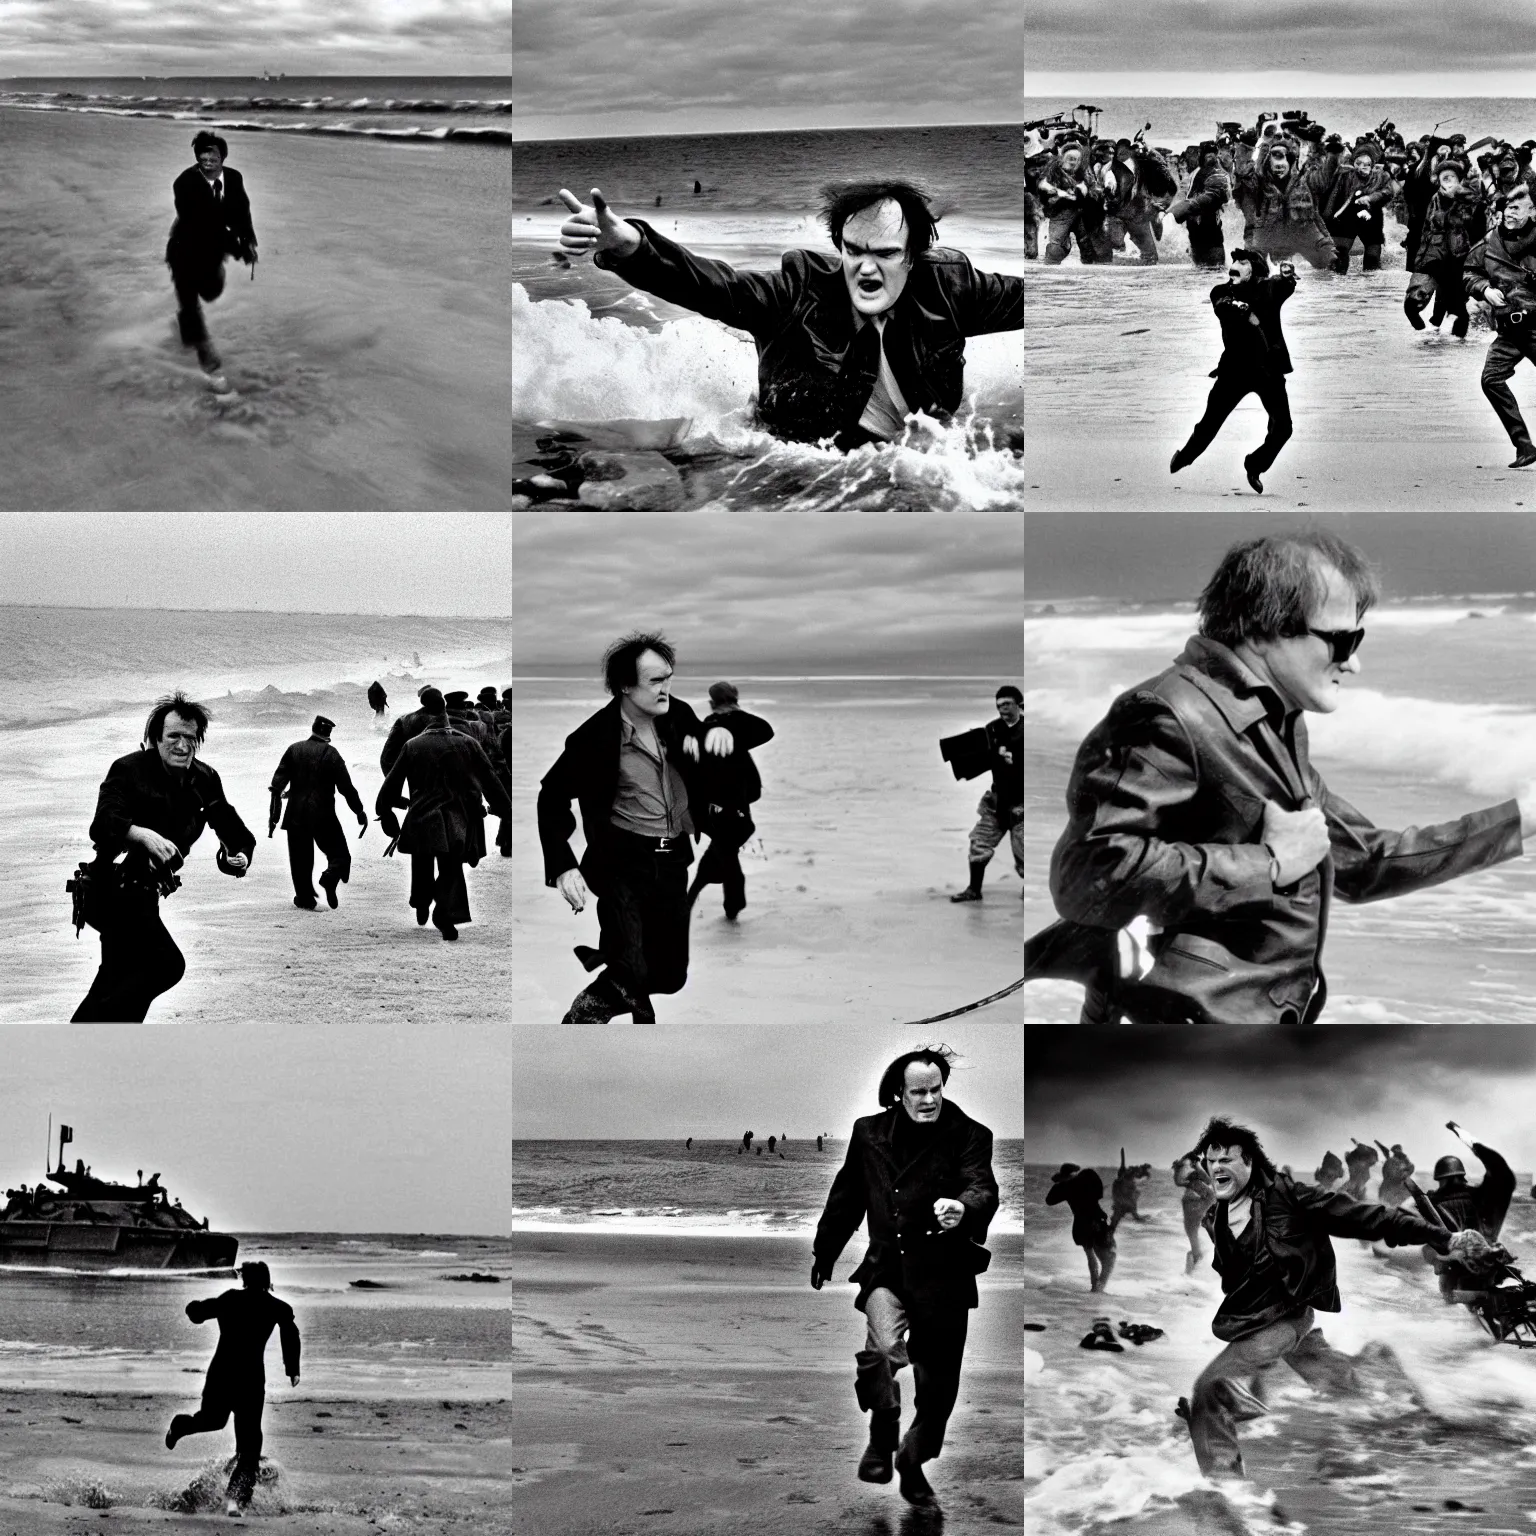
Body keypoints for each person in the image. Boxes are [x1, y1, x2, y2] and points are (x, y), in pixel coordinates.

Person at [1029, 530, 1532, 1024]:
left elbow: (1363, 862)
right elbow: (1086, 875)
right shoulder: (1168, 713)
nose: (1354, 663)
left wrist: (1521, 820)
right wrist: (1266, 864)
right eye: (1342, 640)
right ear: (1261, 631)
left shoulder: (1271, 723)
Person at [557, 179, 1020, 449]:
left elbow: (1044, 299)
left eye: (885, 253)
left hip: (911, 454)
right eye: (853, 251)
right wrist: (631, 249)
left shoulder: (952, 287)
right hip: (792, 456)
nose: (866, 268)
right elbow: (714, 286)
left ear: (913, 257)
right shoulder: (796, 291)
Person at [1184, 1118, 1478, 1481]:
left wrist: (1442, 1238)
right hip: (1253, 1317)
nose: (1216, 1169)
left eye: (1225, 1161)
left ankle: (1226, 1491)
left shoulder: (1291, 1198)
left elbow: (1369, 1217)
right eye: (1210, 1163)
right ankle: (1387, 1378)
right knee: (1327, 1373)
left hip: (1285, 1315)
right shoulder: (1222, 1211)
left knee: (1210, 1390)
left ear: (1250, 1163)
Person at [537, 633, 766, 1025]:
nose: (666, 689)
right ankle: (584, 1021)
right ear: (626, 685)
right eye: (656, 681)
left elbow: (759, 731)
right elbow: (551, 796)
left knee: (671, 976)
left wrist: (729, 732)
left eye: (669, 678)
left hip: (673, 857)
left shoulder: (678, 717)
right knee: (632, 964)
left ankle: (614, 1003)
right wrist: (563, 864)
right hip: (622, 864)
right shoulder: (594, 739)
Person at [811, 1048, 998, 1513]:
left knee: (937, 1397)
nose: (930, 1099)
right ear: (901, 1093)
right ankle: (882, 1428)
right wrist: (825, 1249)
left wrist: (964, 1209)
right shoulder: (869, 1133)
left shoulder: (970, 1134)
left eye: (936, 1089)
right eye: (920, 1091)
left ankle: (912, 1464)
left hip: (946, 1279)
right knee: (881, 1352)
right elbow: (847, 1196)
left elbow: (982, 1186)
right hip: (887, 1270)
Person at [72, 692, 255, 1022]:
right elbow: (103, 823)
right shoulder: (128, 770)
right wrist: (139, 834)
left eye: (190, 737)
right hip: (110, 889)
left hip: (146, 893)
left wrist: (237, 854)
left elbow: (227, 824)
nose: (182, 746)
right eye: (173, 736)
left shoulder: (205, 779)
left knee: (117, 977)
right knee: (165, 965)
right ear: (156, 738)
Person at [164, 1261, 300, 1517]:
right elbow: (290, 1333)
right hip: (249, 1380)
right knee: (249, 1444)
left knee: (214, 1422)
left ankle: (181, 1426)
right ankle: (235, 1501)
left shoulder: (231, 1299)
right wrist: (292, 1369)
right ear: (267, 1281)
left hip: (223, 1374)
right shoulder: (276, 1306)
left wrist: (192, 1308)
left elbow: (199, 1312)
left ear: (244, 1279)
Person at [376, 688, 510, 941]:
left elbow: (389, 769)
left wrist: (393, 805)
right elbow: (490, 777)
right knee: (452, 865)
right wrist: (506, 810)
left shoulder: (409, 737)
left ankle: (422, 901)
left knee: (423, 857)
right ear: (445, 709)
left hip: (421, 807)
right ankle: (446, 913)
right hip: (459, 810)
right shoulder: (469, 740)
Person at [1168, 248, 1296, 494]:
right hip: (1234, 371)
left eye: (1242, 262)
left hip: (1268, 370)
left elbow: (1284, 285)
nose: (1234, 265)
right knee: (1209, 424)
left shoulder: (1269, 289)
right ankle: (1185, 456)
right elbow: (1223, 308)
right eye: (1234, 261)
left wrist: (1288, 275)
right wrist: (1246, 312)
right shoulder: (1221, 291)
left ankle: (1255, 464)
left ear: (1255, 269)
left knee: (1283, 428)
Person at [165, 131, 256, 386]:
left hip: (212, 251)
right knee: (189, 300)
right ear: (197, 158)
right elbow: (202, 225)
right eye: (202, 155)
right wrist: (236, 249)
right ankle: (210, 365)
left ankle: (186, 331)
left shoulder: (234, 178)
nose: (207, 159)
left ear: (222, 156)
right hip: (185, 248)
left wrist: (248, 241)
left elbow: (242, 211)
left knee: (212, 292)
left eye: (212, 154)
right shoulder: (183, 184)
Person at [686, 681, 775, 919]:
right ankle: (727, 904)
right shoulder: (722, 727)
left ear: (712, 703)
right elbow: (764, 730)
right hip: (730, 801)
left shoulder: (710, 726)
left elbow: (765, 730)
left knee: (724, 850)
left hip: (718, 802)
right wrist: (735, 717)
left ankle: (715, 901)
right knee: (725, 850)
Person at [1465, 183, 1536, 468]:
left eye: (1519, 207)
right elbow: (1469, 271)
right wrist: (1483, 289)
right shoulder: (1488, 242)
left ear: (1534, 211)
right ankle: (1524, 446)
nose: (1511, 212)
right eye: (1509, 206)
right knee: (1490, 380)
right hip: (1509, 329)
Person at [267, 715, 368, 910]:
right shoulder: (332, 754)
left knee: (300, 861)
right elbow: (346, 788)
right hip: (324, 815)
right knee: (341, 856)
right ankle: (329, 877)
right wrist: (359, 811)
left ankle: (305, 899)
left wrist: (274, 817)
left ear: (313, 730)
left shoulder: (294, 749)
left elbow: (276, 786)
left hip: (296, 814)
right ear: (328, 734)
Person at [950, 685, 1023, 902]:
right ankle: (974, 890)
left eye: (1007, 704)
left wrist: (1015, 760)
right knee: (979, 842)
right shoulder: (992, 729)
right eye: (999, 705)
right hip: (997, 802)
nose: (1002, 709)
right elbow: (982, 755)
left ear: (1019, 705)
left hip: (1022, 804)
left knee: (1024, 854)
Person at [1233, 131, 1339, 270]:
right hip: (1266, 234)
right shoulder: (1259, 181)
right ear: (1268, 162)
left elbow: (1324, 176)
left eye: (1283, 162)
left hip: (1301, 232)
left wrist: (1332, 153)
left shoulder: (1304, 179)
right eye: (1274, 162)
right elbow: (1242, 171)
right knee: (1255, 269)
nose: (1279, 167)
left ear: (1290, 161)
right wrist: (1246, 145)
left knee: (1331, 262)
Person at [1405, 157, 1483, 337]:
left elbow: (1475, 226)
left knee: (1456, 308)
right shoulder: (1435, 198)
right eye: (1444, 178)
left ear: (1459, 180)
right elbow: (1426, 230)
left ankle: (1454, 348)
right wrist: (1419, 257)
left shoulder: (1469, 200)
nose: (1448, 182)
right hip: (1432, 257)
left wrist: (1459, 199)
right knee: (1411, 305)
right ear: (1438, 180)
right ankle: (1424, 333)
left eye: (1452, 178)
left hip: (1457, 259)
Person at [1045, 1163, 1116, 1292]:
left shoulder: (1065, 1187)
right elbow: (1098, 1193)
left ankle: (1095, 1288)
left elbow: (1049, 1201)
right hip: (1095, 1221)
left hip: (1080, 1224)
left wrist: (1059, 1183)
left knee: (1090, 1256)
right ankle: (1098, 1289)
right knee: (1110, 1258)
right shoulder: (1085, 1179)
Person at [1324, 141, 1393, 272]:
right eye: (1359, 163)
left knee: (1373, 257)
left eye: (1366, 164)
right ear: (1353, 162)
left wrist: (1370, 198)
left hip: (1372, 217)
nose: (1362, 167)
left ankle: (1370, 289)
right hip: (1346, 216)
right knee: (1340, 254)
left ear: (1372, 164)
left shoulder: (1381, 176)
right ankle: (1335, 287)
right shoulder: (1344, 174)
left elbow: (1387, 192)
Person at [1040, 142, 1104, 264]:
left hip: (1082, 212)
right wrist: (1061, 193)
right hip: (1060, 213)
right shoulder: (1053, 169)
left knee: (1087, 243)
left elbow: (1094, 188)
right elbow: (1043, 185)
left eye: (1077, 159)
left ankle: (1090, 267)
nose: (1074, 162)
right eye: (1071, 159)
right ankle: (1052, 265)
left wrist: (1087, 191)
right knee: (1055, 247)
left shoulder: (1084, 171)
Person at [1172, 141, 1232, 269]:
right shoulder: (1197, 173)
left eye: (1213, 154)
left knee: (1213, 266)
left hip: (1210, 229)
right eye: (1207, 154)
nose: (1210, 157)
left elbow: (1220, 197)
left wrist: (1181, 211)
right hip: (1197, 228)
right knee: (1202, 267)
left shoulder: (1217, 173)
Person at [1173, 1152, 1217, 1274]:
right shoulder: (1194, 1180)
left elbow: (1207, 1182)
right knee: (1194, 1240)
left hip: (1195, 1208)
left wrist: (1196, 1165)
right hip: (1194, 1208)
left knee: (1194, 1241)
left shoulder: (1198, 1180)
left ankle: (1194, 1273)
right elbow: (1179, 1182)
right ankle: (1194, 1273)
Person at [1110, 1149, 1153, 1228]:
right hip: (1122, 1201)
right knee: (1116, 1218)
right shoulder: (1123, 1181)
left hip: (1122, 1200)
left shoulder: (1127, 1180)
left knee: (1117, 1218)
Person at [1375, 1142, 1415, 1208]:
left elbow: (1411, 1168)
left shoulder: (1401, 1161)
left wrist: (1405, 1159)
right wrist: (1404, 1173)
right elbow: (1393, 1175)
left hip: (1395, 1191)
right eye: (1399, 1150)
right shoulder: (1391, 1161)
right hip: (1389, 1191)